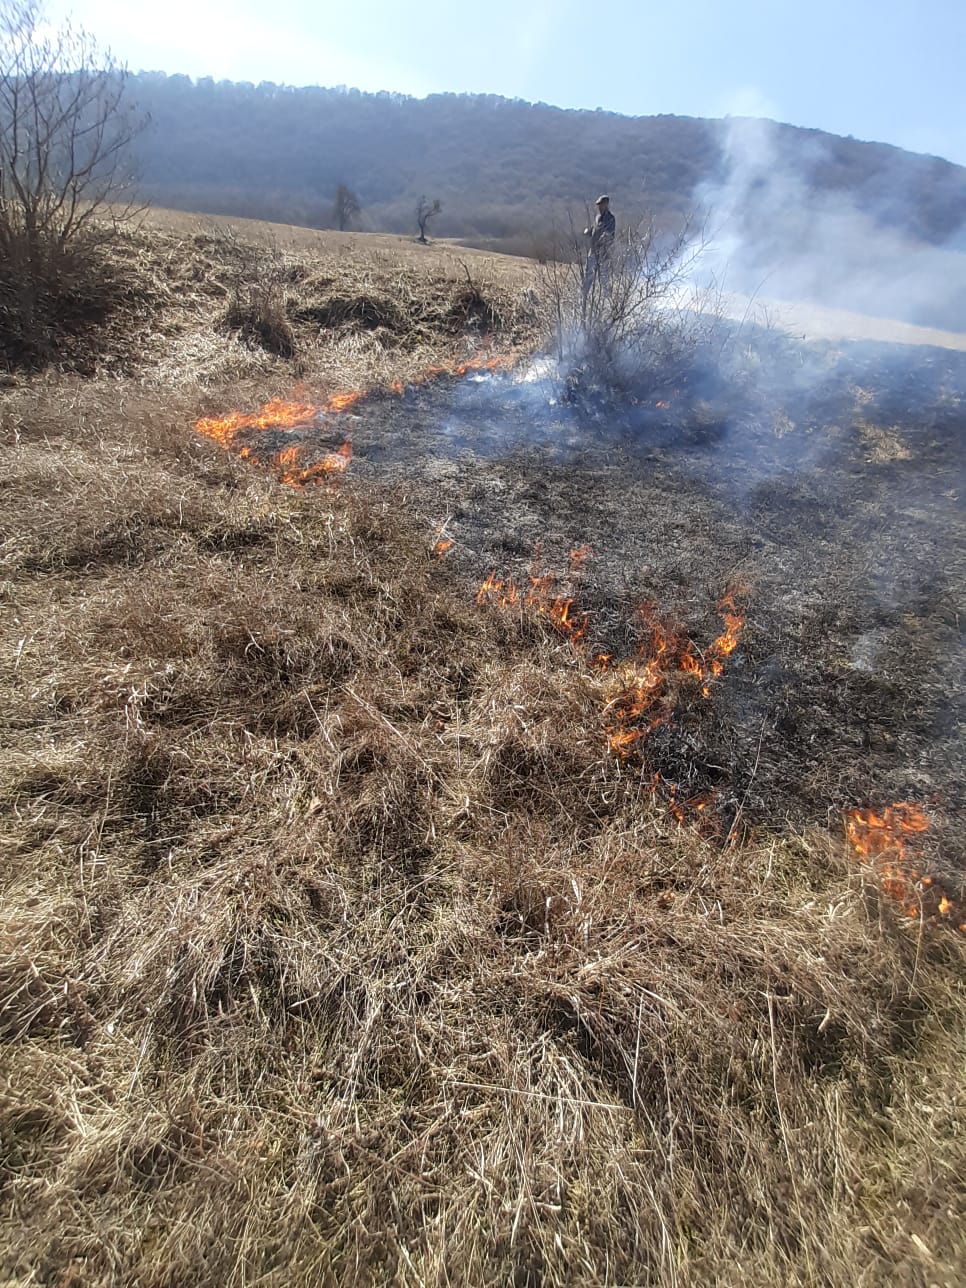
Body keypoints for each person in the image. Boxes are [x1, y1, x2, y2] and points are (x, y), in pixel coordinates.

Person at [583, 194, 616, 297]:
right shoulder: (597, 218)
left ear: (606, 205)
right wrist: (588, 231)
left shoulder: (610, 219)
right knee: (588, 277)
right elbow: (594, 229)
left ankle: (607, 301)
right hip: (592, 252)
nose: (599, 207)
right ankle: (583, 298)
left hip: (603, 253)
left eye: (601, 205)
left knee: (604, 278)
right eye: (598, 205)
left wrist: (601, 242)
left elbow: (610, 234)